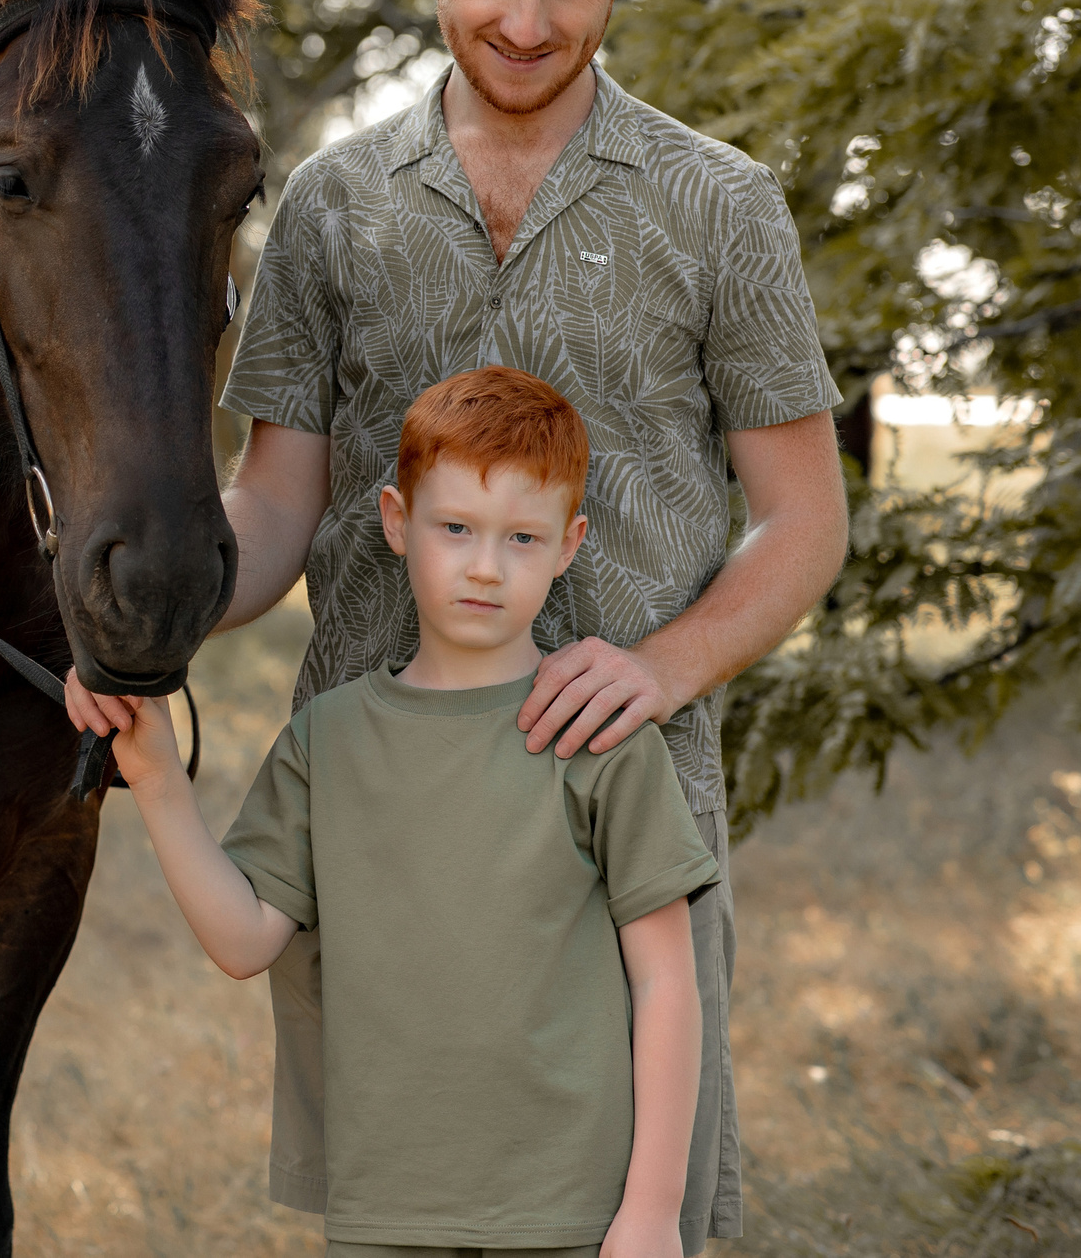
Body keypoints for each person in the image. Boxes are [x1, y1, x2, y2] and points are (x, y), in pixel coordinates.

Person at [71, 0, 850, 1249]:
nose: (526, 20)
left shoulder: (722, 205)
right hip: (384, 836)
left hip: (616, 824)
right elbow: (276, 506)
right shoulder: (332, 206)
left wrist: (660, 667)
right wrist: (140, 608)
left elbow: (803, 518)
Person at [94, 367, 715, 1257]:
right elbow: (244, 940)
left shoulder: (597, 737)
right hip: (385, 1206)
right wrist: (159, 782)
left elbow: (665, 982)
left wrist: (651, 1209)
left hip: (570, 1210)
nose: (485, 566)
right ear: (397, 519)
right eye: (455, 526)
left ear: (569, 544)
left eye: (523, 537)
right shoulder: (328, 740)